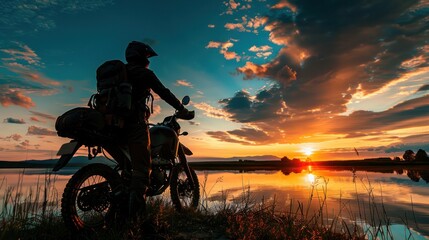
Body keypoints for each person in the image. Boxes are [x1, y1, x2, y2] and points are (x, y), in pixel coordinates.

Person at [124, 41, 191, 218]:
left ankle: (121, 212)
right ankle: (139, 222)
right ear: (141, 56)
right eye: (147, 57)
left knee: (130, 168)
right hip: (135, 125)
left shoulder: (121, 73)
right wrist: (180, 107)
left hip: (115, 126)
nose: (148, 60)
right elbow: (163, 91)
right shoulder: (144, 73)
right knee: (143, 171)